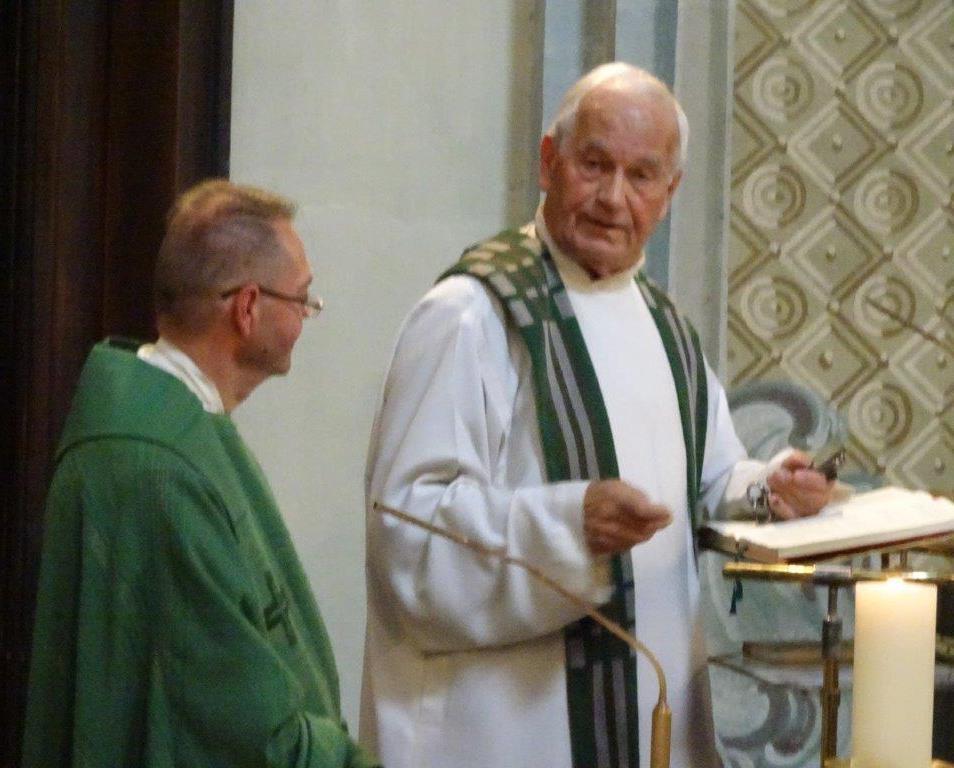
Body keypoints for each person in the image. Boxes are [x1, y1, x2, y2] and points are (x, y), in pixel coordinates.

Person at [361, 63, 834, 768]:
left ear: (670, 194)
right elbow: (407, 531)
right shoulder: (471, 316)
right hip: (505, 729)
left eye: (641, 176)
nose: (614, 198)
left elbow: (710, 479)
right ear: (548, 163)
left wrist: (770, 487)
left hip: (644, 713)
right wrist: (569, 526)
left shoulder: (665, 326)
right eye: (594, 165)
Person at [23, 179, 379, 768]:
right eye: (302, 299)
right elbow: (236, 727)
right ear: (248, 307)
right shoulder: (158, 468)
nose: (306, 316)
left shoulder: (177, 427)